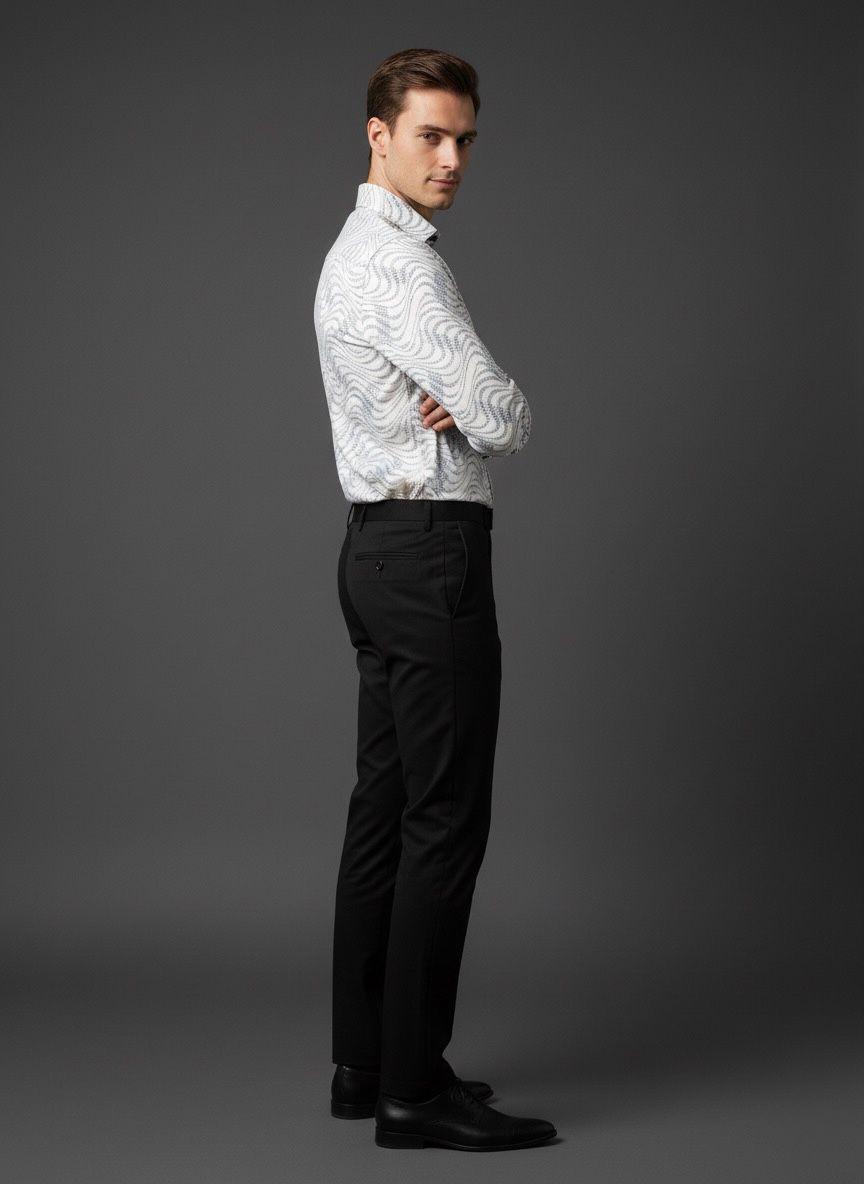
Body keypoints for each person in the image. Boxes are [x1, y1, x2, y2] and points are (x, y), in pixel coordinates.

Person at [313, 47, 556, 1152]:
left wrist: (462, 400)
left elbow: (471, 404)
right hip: (431, 553)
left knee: (385, 808)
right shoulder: (404, 269)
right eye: (431, 135)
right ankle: (414, 1087)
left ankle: (365, 1063)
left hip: (373, 549)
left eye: (464, 139)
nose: (452, 158)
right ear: (379, 135)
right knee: (444, 818)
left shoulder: (346, 252)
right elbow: (505, 413)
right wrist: (478, 403)